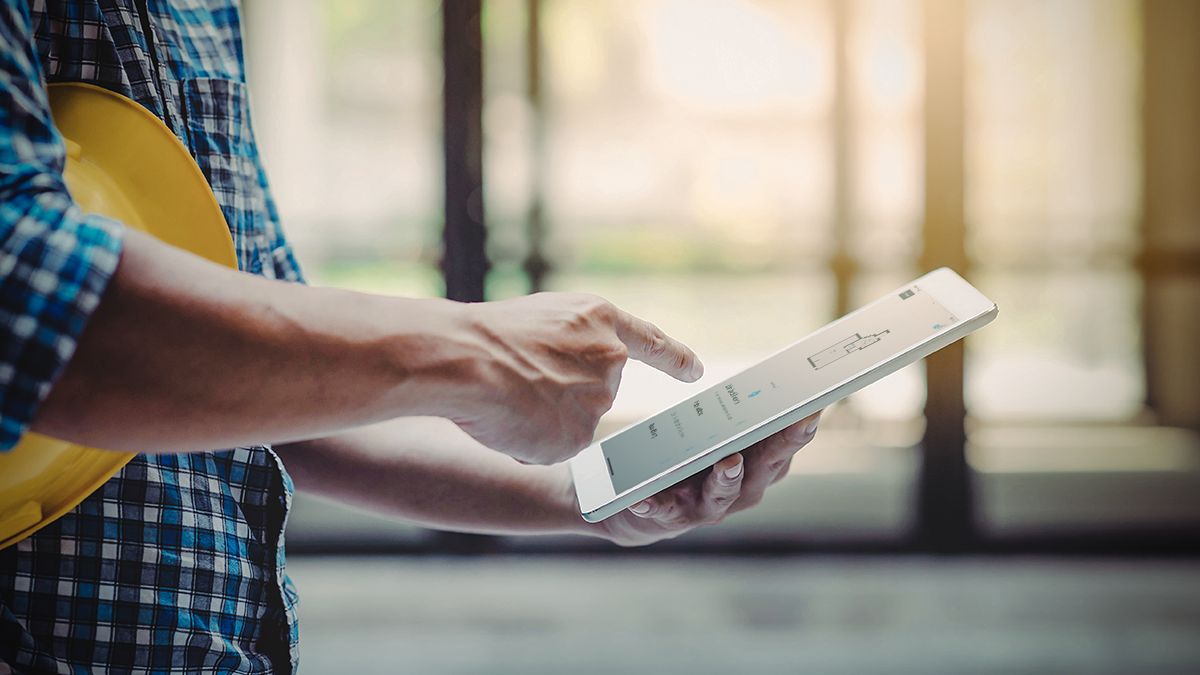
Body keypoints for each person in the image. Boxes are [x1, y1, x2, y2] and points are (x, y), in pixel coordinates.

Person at [0, 1, 821, 673]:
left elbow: (286, 386)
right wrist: (474, 351)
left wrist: (590, 488)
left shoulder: (202, 11)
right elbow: (27, 298)